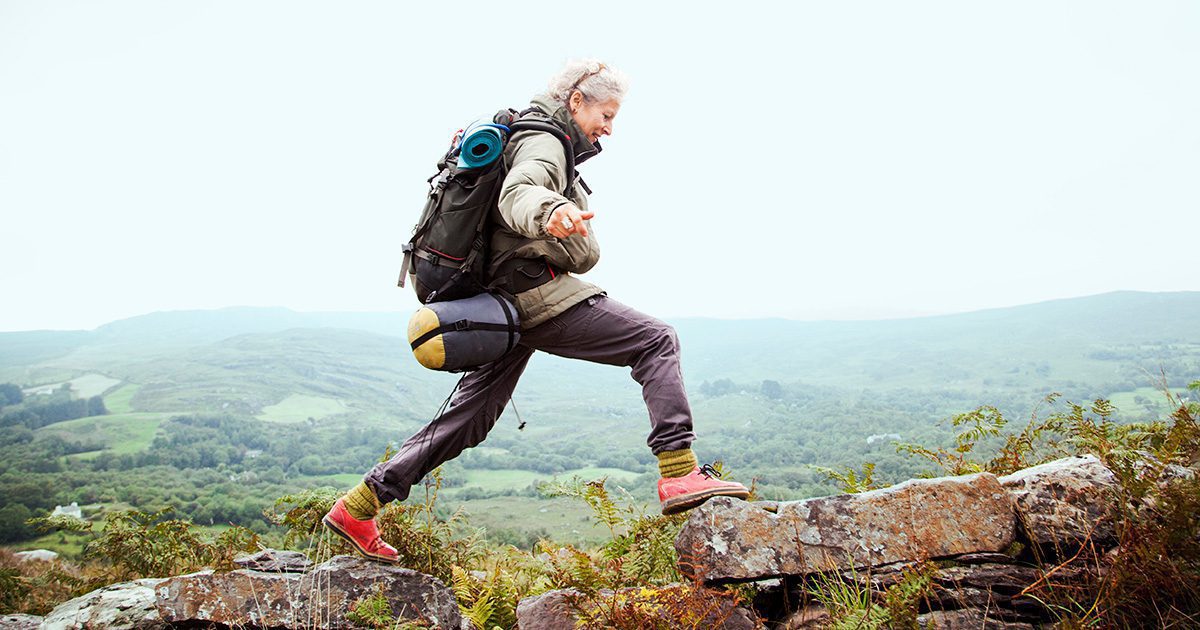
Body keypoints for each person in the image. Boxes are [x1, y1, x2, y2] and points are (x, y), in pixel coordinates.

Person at [323, 59, 749, 563]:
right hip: (535, 299)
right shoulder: (545, 141)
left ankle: (360, 505)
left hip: (499, 308)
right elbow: (521, 192)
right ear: (576, 102)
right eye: (606, 115)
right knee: (655, 341)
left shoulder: (529, 133)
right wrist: (552, 211)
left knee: (469, 419)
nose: (610, 128)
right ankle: (679, 472)